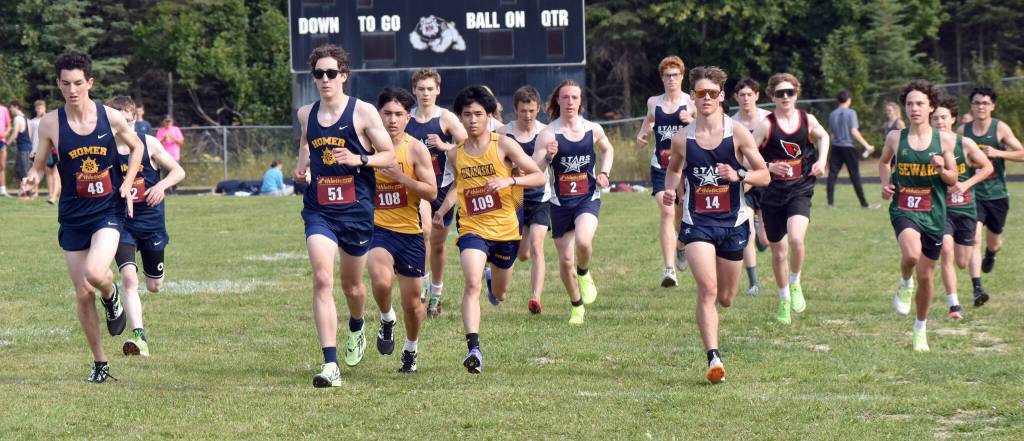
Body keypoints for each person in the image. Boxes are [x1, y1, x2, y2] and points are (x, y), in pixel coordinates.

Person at [21, 52, 146, 383]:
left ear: (89, 82)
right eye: (66, 84)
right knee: (82, 292)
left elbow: (137, 149)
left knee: (95, 273)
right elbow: (38, 165)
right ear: (58, 84)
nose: (72, 90)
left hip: (107, 210)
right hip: (73, 215)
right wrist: (32, 177)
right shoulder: (50, 123)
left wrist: (129, 182)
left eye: (78, 83)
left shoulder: (111, 116)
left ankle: (112, 295)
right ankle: (101, 363)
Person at [292, 44, 395, 388]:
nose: (325, 79)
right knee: (322, 278)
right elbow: (306, 141)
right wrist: (302, 164)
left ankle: (357, 324)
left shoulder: (363, 112)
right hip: (319, 209)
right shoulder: (306, 112)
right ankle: (330, 365)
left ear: (344, 76)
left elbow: (390, 156)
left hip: (356, 211)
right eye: (319, 74)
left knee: (352, 286)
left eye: (331, 73)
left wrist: (359, 159)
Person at [663, 66, 770, 383]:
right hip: (698, 223)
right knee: (707, 290)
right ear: (693, 97)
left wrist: (738, 175)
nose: (706, 98)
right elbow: (672, 170)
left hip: (733, 223)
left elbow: (763, 175)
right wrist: (671, 191)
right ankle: (713, 358)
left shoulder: (736, 132)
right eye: (700, 93)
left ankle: (686, 250)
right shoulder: (683, 138)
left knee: (726, 297)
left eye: (712, 93)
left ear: (722, 96)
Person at [433, 85, 543, 373]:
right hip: (472, 228)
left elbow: (538, 177)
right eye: (466, 115)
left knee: (501, 293)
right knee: (471, 283)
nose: (472, 120)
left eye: (478, 114)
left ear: (489, 116)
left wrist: (510, 182)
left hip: (506, 232)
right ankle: (474, 349)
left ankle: (495, 282)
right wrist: (442, 211)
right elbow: (457, 188)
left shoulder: (504, 145)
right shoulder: (455, 154)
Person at [878, 80, 958, 352]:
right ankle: (904, 281)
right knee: (912, 256)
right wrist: (886, 183)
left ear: (931, 107)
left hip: (934, 212)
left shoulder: (945, 139)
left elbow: (952, 178)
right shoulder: (895, 137)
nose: (914, 108)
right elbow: (884, 162)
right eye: (910, 103)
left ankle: (920, 328)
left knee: (927, 275)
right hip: (904, 207)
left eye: (920, 103)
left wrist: (941, 169)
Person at [106, 95, 186, 357]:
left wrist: (161, 185)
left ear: (135, 119)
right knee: (129, 279)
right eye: (118, 122)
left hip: (151, 223)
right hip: (122, 222)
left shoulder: (148, 143)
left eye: (127, 122)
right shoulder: (105, 147)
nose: (123, 128)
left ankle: (146, 293)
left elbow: (178, 171)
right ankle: (139, 337)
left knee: (154, 286)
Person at [367, 87, 437, 374]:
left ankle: (411, 349)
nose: (392, 120)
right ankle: (386, 318)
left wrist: (401, 178)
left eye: (398, 114)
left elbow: (432, 192)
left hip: (409, 233)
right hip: (376, 228)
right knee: (381, 280)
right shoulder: (365, 146)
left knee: (413, 304)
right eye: (387, 114)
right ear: (377, 115)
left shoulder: (415, 149)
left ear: (408, 118)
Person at [753, 73, 831, 325]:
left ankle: (795, 282)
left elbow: (825, 136)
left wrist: (821, 160)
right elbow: (746, 155)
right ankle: (784, 299)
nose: (785, 97)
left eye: (790, 92)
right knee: (778, 252)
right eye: (780, 93)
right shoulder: (766, 124)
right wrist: (768, 166)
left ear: (796, 94)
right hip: (772, 194)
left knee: (797, 238)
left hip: (800, 189)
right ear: (772, 96)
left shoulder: (807, 120)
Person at [534, 80, 614, 325]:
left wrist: (605, 173)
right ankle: (577, 306)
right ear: (558, 101)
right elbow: (535, 168)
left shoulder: (592, 129)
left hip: (587, 197)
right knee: (565, 259)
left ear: (581, 101)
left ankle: (584, 272)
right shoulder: (548, 133)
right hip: (559, 203)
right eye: (565, 97)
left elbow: (607, 149)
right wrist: (548, 155)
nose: (570, 102)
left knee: (583, 241)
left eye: (574, 98)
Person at [405, 69, 468, 317]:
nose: (425, 93)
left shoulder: (446, 118)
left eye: (430, 89)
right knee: (423, 233)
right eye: (421, 89)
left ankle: (436, 294)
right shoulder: (406, 119)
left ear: (438, 90)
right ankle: (420, 288)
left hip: (444, 188)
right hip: (418, 188)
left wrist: (445, 146)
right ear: (414, 91)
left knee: (438, 246)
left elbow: (469, 145)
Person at [958, 87, 1024, 306]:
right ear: (972, 106)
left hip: (996, 194)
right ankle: (977, 288)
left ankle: (991, 253)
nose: (981, 107)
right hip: (972, 192)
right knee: (974, 238)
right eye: (977, 103)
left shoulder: (1000, 128)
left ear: (992, 106)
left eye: (985, 103)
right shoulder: (963, 131)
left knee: (994, 241)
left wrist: (998, 153)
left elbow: (1021, 153)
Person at [931, 95, 992, 320]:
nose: (939, 121)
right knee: (945, 251)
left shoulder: (964, 143)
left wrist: (965, 184)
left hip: (965, 209)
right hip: (941, 209)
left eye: (943, 117)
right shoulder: (927, 144)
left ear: (953, 119)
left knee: (962, 261)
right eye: (935, 118)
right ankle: (954, 305)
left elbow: (987, 167)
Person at [635, 56, 693, 287]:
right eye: (667, 75)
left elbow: (706, 126)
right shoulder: (653, 102)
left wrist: (692, 119)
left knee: (680, 216)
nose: (671, 79)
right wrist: (642, 134)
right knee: (667, 212)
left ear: (682, 76)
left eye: (675, 75)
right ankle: (669, 270)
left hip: (686, 168)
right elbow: (648, 121)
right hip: (661, 167)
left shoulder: (691, 103)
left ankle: (681, 246)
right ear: (662, 78)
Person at [497, 86, 550, 314]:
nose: (527, 116)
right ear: (515, 110)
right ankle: (494, 272)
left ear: (538, 108)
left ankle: (536, 298)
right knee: (522, 254)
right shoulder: (503, 133)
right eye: (522, 111)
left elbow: (546, 165)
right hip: (514, 199)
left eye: (531, 110)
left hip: (540, 197)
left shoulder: (547, 132)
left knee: (538, 246)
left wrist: (551, 156)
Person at [731, 78, 772, 296]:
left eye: (750, 94)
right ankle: (753, 282)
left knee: (765, 241)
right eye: (742, 95)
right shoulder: (731, 123)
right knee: (746, 230)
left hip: (768, 179)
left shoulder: (767, 119)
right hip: (744, 180)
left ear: (757, 95)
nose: (746, 98)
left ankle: (761, 231)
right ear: (736, 98)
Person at [827, 90, 878, 209]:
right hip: (848, 147)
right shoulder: (851, 113)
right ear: (849, 99)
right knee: (855, 176)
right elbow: (854, 131)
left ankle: (830, 204)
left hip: (835, 147)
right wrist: (867, 146)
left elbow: (832, 134)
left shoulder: (832, 114)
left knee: (832, 175)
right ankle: (864, 204)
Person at [29, 100, 60, 204]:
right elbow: (32, 138)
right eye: (38, 108)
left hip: (55, 150)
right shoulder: (32, 122)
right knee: (48, 174)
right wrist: (33, 150)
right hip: (41, 150)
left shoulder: (50, 120)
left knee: (56, 173)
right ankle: (51, 194)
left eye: (41, 108)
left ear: (45, 108)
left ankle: (54, 196)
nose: (39, 110)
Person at [8, 101, 34, 199]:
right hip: (27, 147)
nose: (10, 110)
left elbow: (14, 134)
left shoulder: (17, 118)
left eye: (11, 107)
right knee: (19, 170)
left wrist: (6, 144)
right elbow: (30, 135)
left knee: (23, 171)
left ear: (15, 107)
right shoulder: (27, 118)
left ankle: (28, 194)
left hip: (23, 149)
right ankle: (24, 191)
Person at [0, 99, 10, 197]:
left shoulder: (4, 109)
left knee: (2, 166)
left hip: (2, 141)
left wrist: (6, 133)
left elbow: (9, 125)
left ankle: (3, 190)